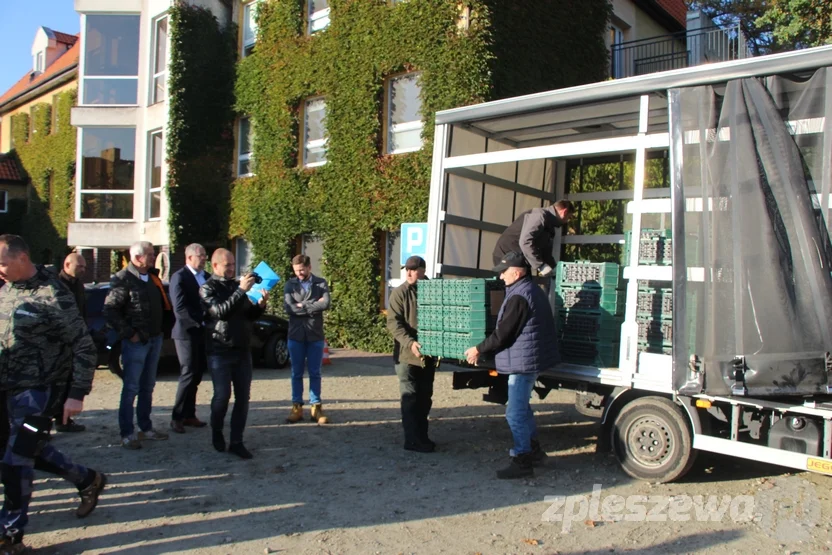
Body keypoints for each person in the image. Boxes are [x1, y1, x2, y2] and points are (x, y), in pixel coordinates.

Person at [0, 235, 106, 554]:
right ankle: (87, 479)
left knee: (16, 462)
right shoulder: (6, 290)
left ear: (22, 258)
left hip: (38, 391)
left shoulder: (53, 294)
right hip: (6, 389)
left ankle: (9, 535)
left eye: (2, 263)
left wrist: (77, 393)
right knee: (24, 451)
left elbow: (84, 346)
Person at [464, 251, 558, 479]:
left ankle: (522, 460)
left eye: (503, 272)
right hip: (527, 360)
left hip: (522, 364)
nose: (501, 277)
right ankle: (535, 453)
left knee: (514, 414)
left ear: (516, 273)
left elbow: (503, 333)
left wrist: (478, 349)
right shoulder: (531, 290)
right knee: (523, 409)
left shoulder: (519, 296)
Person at [200, 248, 268, 459]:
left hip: (242, 348)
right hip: (219, 349)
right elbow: (220, 312)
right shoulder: (207, 288)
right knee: (222, 396)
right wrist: (240, 290)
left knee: (243, 398)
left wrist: (260, 306)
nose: (231, 268)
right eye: (227, 265)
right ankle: (217, 430)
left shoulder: (236, 285)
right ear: (215, 266)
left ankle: (237, 441)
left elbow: (248, 315)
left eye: (233, 264)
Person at [104, 241, 171, 450]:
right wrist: (129, 333)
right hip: (136, 342)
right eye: (150, 254)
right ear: (138, 257)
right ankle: (127, 433)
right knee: (131, 387)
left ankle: (145, 427)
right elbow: (110, 310)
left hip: (154, 338)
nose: (153, 257)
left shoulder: (151, 277)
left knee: (147, 386)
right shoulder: (123, 279)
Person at [386, 256, 437, 453]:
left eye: (413, 269)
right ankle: (412, 441)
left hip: (428, 356)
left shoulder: (433, 290)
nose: (408, 273)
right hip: (406, 356)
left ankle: (422, 437)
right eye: (407, 269)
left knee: (425, 398)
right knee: (410, 399)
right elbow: (394, 323)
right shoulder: (399, 293)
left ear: (423, 270)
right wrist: (409, 342)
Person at [284, 254, 331, 425]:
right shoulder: (289, 285)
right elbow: (289, 308)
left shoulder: (321, 283)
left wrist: (302, 305)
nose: (299, 273)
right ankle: (296, 406)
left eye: (302, 270)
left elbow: (325, 304)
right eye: (296, 271)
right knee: (296, 372)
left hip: (315, 334)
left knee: (315, 372)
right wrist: (313, 305)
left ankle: (316, 407)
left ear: (309, 267)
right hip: (295, 335)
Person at [169, 243, 209, 434]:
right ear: (189, 257)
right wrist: (198, 323)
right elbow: (179, 308)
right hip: (186, 333)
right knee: (188, 373)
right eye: (201, 256)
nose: (204, 259)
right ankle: (176, 417)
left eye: (205, 255)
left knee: (198, 373)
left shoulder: (206, 277)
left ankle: (189, 414)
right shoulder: (180, 277)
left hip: (203, 332)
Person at [492, 200, 574, 277]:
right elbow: (525, 242)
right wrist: (541, 266)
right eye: (569, 217)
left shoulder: (549, 226)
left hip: (520, 257)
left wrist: (554, 269)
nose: (567, 221)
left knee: (526, 284)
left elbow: (545, 252)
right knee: (521, 284)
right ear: (564, 212)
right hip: (506, 256)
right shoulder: (539, 216)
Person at [53, 253, 88, 433]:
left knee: (69, 381)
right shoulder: (56, 285)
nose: (83, 270)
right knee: (55, 383)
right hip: (59, 343)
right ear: (67, 264)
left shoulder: (78, 285)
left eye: (84, 267)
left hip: (75, 339)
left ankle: (64, 420)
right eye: (79, 266)